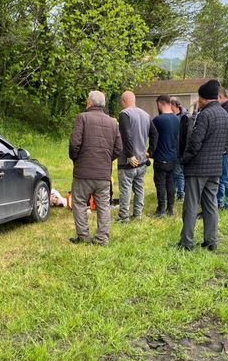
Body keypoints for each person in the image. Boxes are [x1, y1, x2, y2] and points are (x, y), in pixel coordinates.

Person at [177, 80, 228, 251]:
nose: (198, 101)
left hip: (198, 168)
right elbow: (226, 142)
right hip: (215, 168)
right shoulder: (225, 115)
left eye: (199, 98)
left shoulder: (204, 115)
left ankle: (186, 243)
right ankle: (211, 241)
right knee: (211, 205)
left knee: (191, 206)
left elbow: (195, 143)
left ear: (204, 98)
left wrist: (185, 159)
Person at [68, 91, 122, 246]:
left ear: (90, 103)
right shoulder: (113, 122)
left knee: (79, 203)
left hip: (83, 173)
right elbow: (119, 148)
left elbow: (74, 143)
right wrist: (106, 159)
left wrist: (76, 159)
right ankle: (102, 238)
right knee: (104, 206)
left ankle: (84, 237)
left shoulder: (82, 118)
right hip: (103, 174)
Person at [116, 91, 156, 223]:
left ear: (124, 101)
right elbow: (155, 134)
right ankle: (138, 214)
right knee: (139, 188)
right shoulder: (145, 114)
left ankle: (124, 216)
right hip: (142, 161)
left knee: (125, 189)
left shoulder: (124, 114)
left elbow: (126, 135)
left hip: (128, 161)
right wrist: (150, 152)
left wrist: (129, 155)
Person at [150, 95, 179, 217]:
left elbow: (152, 137)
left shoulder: (158, 120)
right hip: (173, 157)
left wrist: (150, 152)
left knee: (160, 184)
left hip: (160, 158)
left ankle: (161, 209)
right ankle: (170, 209)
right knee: (170, 183)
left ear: (160, 104)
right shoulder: (177, 119)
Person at [170, 97, 188, 201]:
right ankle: (174, 191)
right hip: (172, 149)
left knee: (178, 172)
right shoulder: (172, 116)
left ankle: (181, 194)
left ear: (173, 105)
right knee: (174, 172)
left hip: (180, 149)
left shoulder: (185, 117)